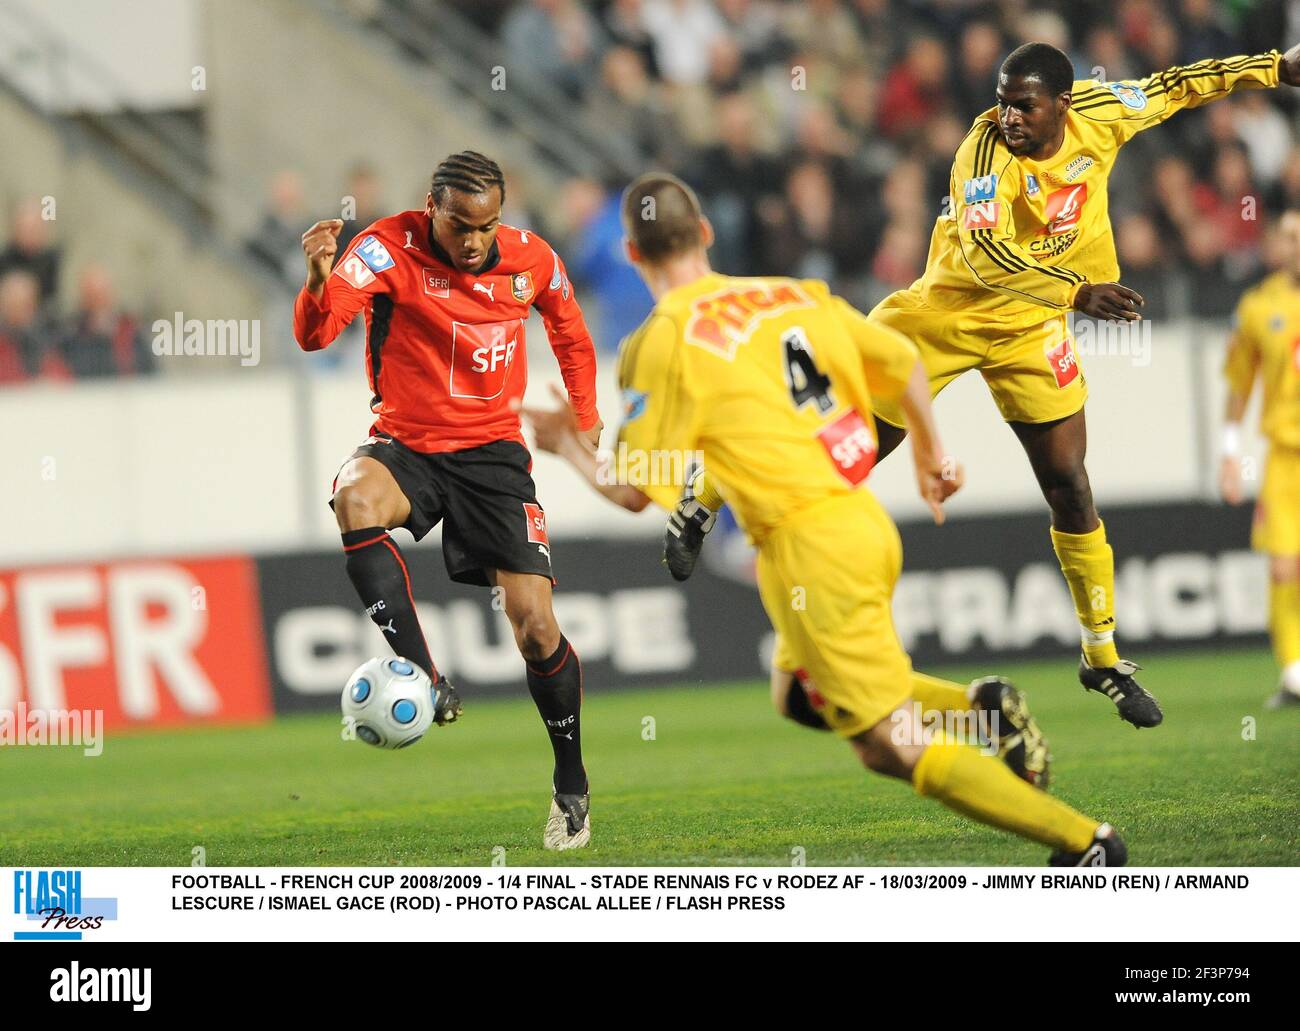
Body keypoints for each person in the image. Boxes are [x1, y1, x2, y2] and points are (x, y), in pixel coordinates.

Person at [526, 172, 1124, 866]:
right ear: (708, 235)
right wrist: (930, 449)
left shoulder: (658, 341)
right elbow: (901, 359)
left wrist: (568, 440)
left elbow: (637, 489)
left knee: (888, 744)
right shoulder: (789, 295)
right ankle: (980, 711)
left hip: (807, 547)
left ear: (631, 254)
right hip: (858, 521)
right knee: (799, 696)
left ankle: (1087, 843)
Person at [859, 42, 1300, 728]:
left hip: (1033, 328)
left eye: (1023, 105)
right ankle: (718, 495)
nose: (1007, 116)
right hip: (948, 313)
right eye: (1002, 100)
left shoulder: (1101, 112)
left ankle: (1100, 657)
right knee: (854, 450)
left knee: (1070, 484)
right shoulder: (981, 152)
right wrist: (1077, 290)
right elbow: (984, 255)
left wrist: (1273, 69)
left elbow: (1178, 85)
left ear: (1062, 104)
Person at [292, 151, 603, 850]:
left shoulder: (528, 258)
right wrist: (316, 281)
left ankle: (571, 782)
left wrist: (585, 411)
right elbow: (315, 335)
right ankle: (425, 677)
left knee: (535, 628)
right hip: (407, 446)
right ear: (432, 208)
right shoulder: (382, 248)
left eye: (487, 225)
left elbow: (571, 330)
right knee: (352, 497)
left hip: (494, 459)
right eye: (462, 225)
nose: (475, 240)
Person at [1220, 210, 1300, 709]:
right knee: (1284, 568)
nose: (1295, 243)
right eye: (1289, 236)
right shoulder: (1257, 307)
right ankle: (1294, 674)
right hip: (1285, 457)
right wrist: (1230, 453)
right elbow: (1239, 382)